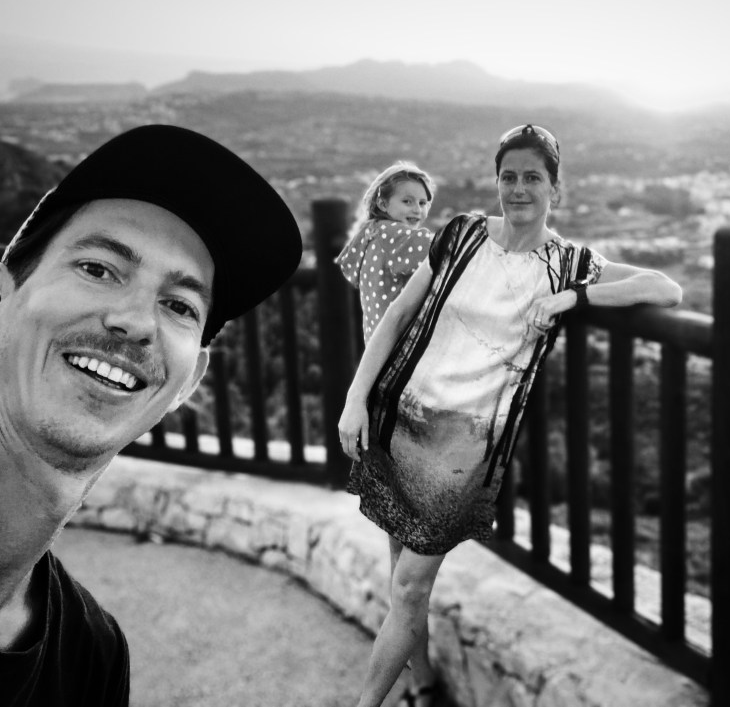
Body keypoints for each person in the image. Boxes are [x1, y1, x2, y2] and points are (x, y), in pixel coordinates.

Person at [337, 123, 682, 707]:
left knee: (411, 584)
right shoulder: (462, 233)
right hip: (400, 417)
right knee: (402, 576)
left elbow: (666, 288)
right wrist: (354, 400)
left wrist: (577, 296)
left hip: (464, 452)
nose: (519, 188)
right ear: (497, 182)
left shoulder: (568, 263)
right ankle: (423, 682)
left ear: (555, 189)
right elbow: (397, 316)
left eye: (533, 178)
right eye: (509, 176)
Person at [0, 124, 302, 706]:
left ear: (189, 381)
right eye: (97, 269)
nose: (136, 322)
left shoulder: (92, 655)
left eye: (178, 305)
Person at [335, 161, 436, 342]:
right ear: (383, 204)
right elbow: (441, 248)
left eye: (423, 203)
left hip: (378, 345)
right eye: (407, 201)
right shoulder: (393, 235)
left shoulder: (370, 233)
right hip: (402, 344)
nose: (417, 209)